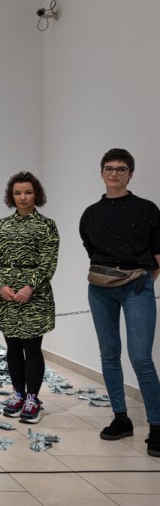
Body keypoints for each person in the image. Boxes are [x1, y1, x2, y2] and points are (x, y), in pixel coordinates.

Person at [80, 148, 160, 457]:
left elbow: (157, 253)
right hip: (100, 289)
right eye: (109, 168)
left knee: (141, 358)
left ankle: (157, 426)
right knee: (109, 354)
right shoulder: (90, 213)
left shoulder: (147, 209)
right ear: (101, 173)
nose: (114, 173)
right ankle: (121, 418)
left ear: (130, 174)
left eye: (121, 169)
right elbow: (93, 251)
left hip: (137, 287)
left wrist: (142, 280)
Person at [0, 171, 58, 424]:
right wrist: (1, 285)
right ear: (11, 196)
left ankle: (32, 399)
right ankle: (18, 394)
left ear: (36, 194)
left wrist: (30, 287)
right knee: (13, 347)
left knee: (32, 348)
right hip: (6, 296)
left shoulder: (46, 225)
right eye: (18, 193)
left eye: (28, 192)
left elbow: (48, 262)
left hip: (35, 297)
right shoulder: (1, 226)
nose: (23, 197)